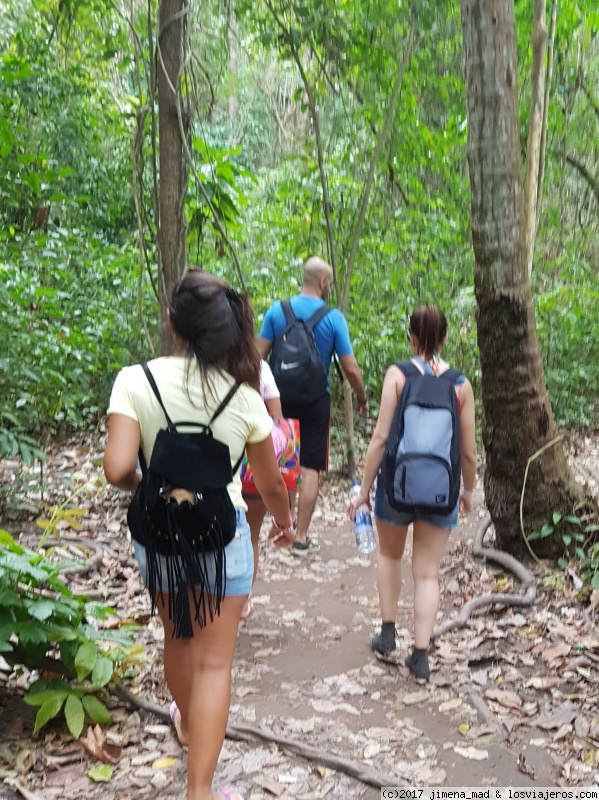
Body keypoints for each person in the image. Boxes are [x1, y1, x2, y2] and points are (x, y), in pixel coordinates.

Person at [103, 270, 294, 800]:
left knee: (177, 635)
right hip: (223, 541)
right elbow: (271, 482)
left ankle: (187, 725)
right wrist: (284, 522)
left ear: (173, 323)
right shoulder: (245, 396)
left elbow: (118, 469)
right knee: (215, 663)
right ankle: (201, 790)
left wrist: (157, 487)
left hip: (159, 536)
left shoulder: (133, 379)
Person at [348, 304, 477, 682]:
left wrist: (364, 490)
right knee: (427, 573)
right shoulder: (460, 384)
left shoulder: (398, 376)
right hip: (442, 487)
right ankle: (419, 656)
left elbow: (381, 437)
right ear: (445, 339)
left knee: (389, 556)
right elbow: (468, 451)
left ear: (411, 337)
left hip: (396, 487)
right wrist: (467, 491)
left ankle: (387, 634)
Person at [257, 256, 369, 555]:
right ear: (323, 283)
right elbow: (351, 368)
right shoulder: (333, 318)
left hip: (280, 398)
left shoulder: (276, 312)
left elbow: (256, 358)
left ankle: (285, 527)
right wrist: (361, 397)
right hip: (316, 400)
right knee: (309, 468)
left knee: (285, 462)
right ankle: (302, 536)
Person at [240, 360, 286, 622]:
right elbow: (277, 422)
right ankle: (243, 600)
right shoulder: (258, 367)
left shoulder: (201, 364)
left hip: (216, 467)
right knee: (251, 536)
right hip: (253, 469)